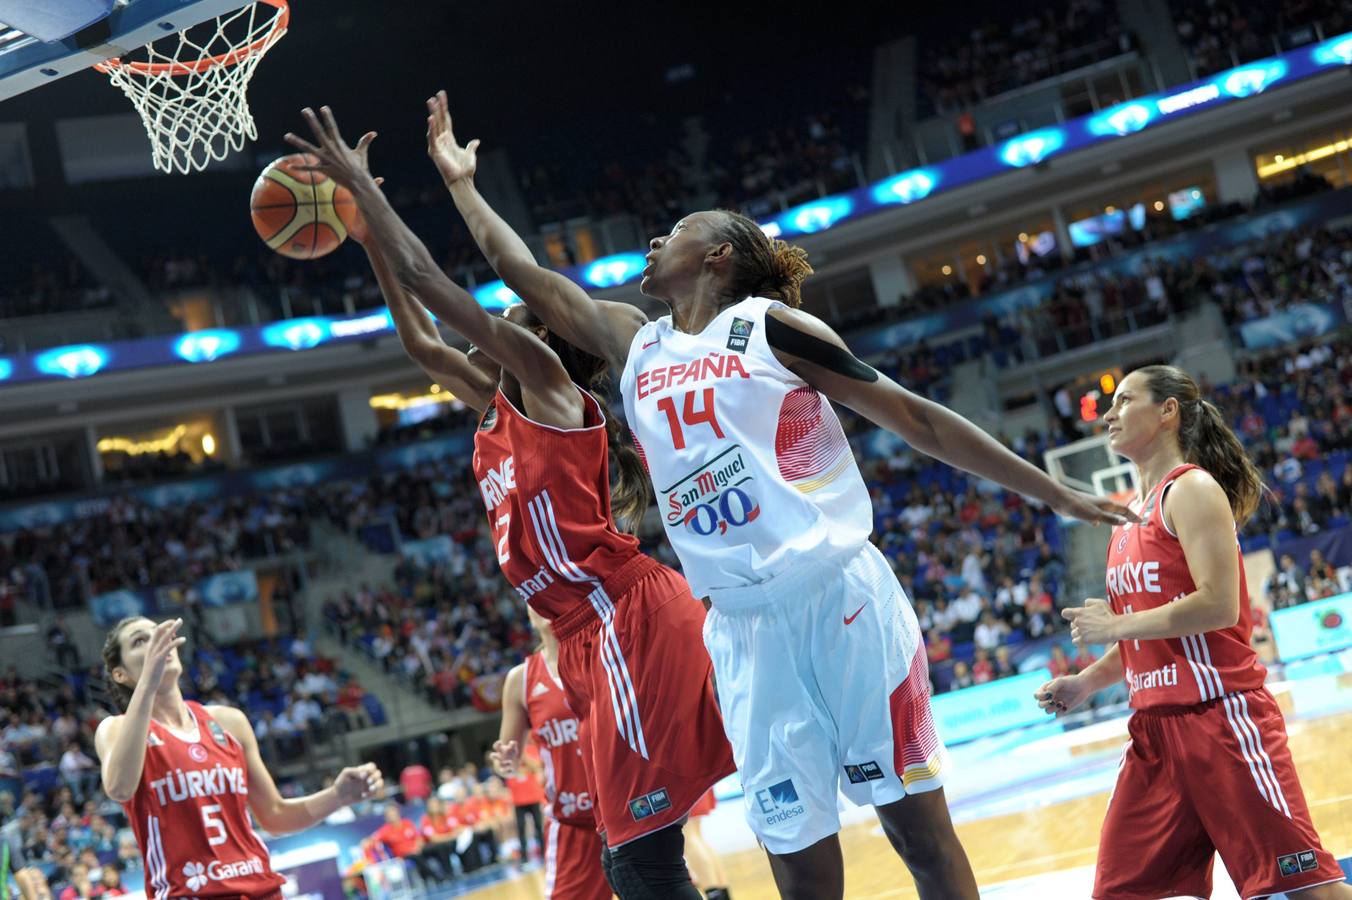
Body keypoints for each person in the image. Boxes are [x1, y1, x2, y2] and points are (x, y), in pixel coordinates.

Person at [421, 91, 1133, 899]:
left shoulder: (771, 328)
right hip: (742, 629)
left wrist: (1053, 491)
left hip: (841, 598)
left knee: (919, 835)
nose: (654, 241)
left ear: (721, 255)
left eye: (677, 230)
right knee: (797, 870)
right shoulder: (636, 342)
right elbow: (523, 273)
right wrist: (462, 186)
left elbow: (915, 418)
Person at [284, 104, 735, 900]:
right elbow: (421, 340)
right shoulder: (494, 404)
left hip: (623, 618)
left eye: (506, 323)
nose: (483, 335)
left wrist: (369, 197)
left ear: (530, 338)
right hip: (586, 633)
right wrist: (364, 239)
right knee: (622, 855)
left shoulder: (546, 381)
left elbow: (432, 283)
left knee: (639, 856)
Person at [1038, 365, 1351, 900]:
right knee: (1122, 893)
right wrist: (1088, 681)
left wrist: (1117, 623)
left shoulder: (1192, 489)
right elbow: (1148, 634)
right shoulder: (1126, 518)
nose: (1109, 414)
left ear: (1168, 411)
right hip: (1154, 733)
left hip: (1222, 721)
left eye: (1125, 400)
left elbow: (1217, 605)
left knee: (1308, 890)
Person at [95, 617, 384, 899]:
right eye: (141, 641)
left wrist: (338, 796)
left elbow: (275, 815)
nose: (157, 643)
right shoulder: (116, 729)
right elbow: (120, 787)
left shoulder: (228, 721)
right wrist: (148, 680)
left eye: (158, 634)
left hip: (260, 887)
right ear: (121, 674)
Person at [493, 607, 610, 899]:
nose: (539, 603)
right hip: (573, 824)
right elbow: (507, 762)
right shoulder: (521, 680)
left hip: (626, 811)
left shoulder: (604, 652)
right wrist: (506, 762)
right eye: (530, 600)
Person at [370, 802, 445, 887]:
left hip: (417, 849)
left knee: (439, 848)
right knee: (415, 856)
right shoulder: (385, 830)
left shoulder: (407, 823)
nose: (392, 815)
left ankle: (446, 874)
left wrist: (418, 846)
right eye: (389, 814)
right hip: (403, 855)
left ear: (398, 813)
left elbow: (418, 837)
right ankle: (436, 878)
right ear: (386, 817)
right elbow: (373, 840)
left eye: (394, 813)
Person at [683, 789, 732, 900]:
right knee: (695, 835)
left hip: (678, 780)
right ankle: (722, 895)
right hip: (692, 778)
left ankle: (714, 894)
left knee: (688, 836)